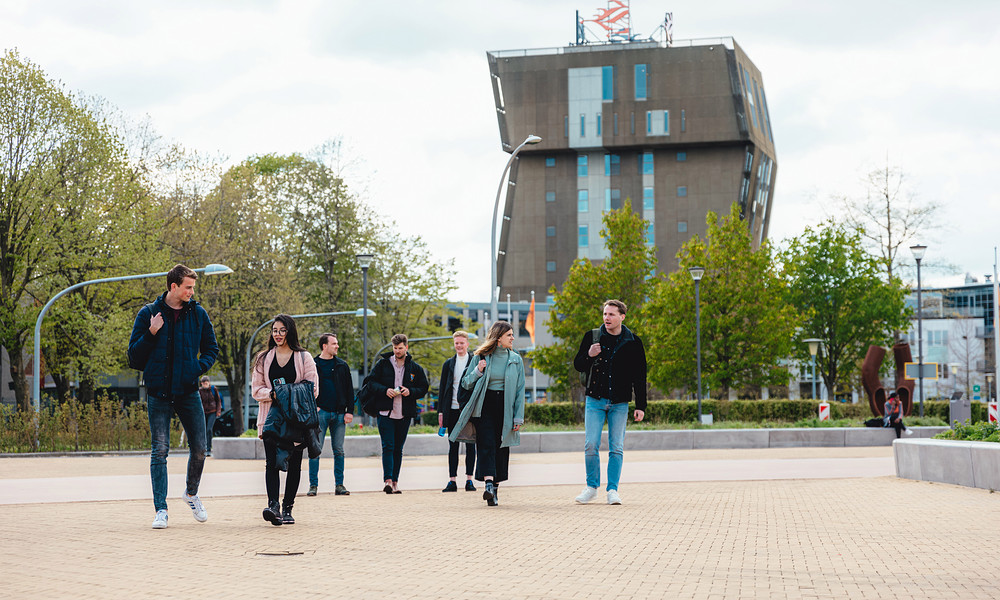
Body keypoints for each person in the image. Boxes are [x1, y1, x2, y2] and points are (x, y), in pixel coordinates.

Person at [127, 264, 219, 530]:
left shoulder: (198, 314)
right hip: (159, 394)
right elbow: (134, 357)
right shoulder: (148, 314)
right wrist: (151, 332)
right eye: (188, 287)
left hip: (188, 392)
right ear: (174, 286)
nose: (192, 291)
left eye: (193, 287)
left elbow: (211, 349)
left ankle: (191, 494)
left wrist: (196, 368)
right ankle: (161, 510)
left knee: (200, 449)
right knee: (160, 451)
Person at [572, 299, 647, 506]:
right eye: (605, 314)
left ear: (622, 317)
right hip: (594, 400)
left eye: (612, 314)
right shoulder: (592, 337)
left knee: (616, 447)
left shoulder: (633, 341)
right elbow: (578, 365)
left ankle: (612, 490)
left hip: (620, 402)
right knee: (591, 445)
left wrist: (641, 405)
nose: (607, 318)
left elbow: (640, 376)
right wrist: (589, 354)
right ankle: (591, 487)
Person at [251, 314, 320, 526]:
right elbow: (256, 390)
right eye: (274, 330)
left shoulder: (303, 357)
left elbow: (313, 388)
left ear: (290, 331)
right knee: (271, 463)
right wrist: (273, 394)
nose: (278, 334)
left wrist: (287, 394)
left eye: (282, 330)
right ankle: (273, 507)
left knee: (295, 464)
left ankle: (288, 507)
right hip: (271, 420)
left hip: (296, 420)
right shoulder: (264, 358)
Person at [452, 321, 525, 507]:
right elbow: (466, 383)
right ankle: (489, 484)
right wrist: (478, 371)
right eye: (509, 335)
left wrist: (518, 417)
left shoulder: (516, 359)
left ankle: (495, 490)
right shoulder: (480, 356)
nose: (512, 338)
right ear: (499, 337)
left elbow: (520, 391)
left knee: (501, 446)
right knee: (486, 444)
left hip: (506, 407)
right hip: (484, 406)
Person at [363, 333, 428, 494]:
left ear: (406, 347)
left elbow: (423, 388)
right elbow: (370, 383)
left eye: (400, 348)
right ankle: (387, 480)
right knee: (388, 446)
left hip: (404, 413)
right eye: (395, 348)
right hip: (385, 412)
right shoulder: (382, 364)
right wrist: (386, 391)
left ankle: (395, 482)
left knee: (398, 448)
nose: (397, 351)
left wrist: (410, 391)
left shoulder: (415, 368)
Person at [307, 333, 355, 497]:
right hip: (320, 413)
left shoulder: (342, 365)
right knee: (315, 450)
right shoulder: (313, 364)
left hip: (340, 414)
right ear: (324, 346)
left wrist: (350, 411)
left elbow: (349, 390)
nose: (337, 346)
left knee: (339, 450)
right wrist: (314, 407)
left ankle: (339, 485)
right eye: (334, 343)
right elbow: (306, 388)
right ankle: (313, 486)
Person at [437, 331, 477, 492]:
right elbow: (442, 389)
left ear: (467, 344)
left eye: (462, 343)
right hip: (451, 410)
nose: (459, 346)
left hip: (469, 410)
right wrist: (441, 412)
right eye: (456, 343)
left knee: (470, 446)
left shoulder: (475, 361)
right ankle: (452, 480)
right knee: (452, 446)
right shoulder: (448, 364)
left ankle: (469, 480)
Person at [199, 376, 222, 456]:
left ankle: (208, 449)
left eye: (206, 383)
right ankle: (203, 448)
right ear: (201, 383)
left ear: (209, 383)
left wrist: (218, 411)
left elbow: (218, 401)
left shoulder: (213, 389)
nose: (205, 385)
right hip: (203, 412)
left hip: (212, 411)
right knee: (203, 430)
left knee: (209, 429)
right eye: (203, 383)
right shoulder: (199, 391)